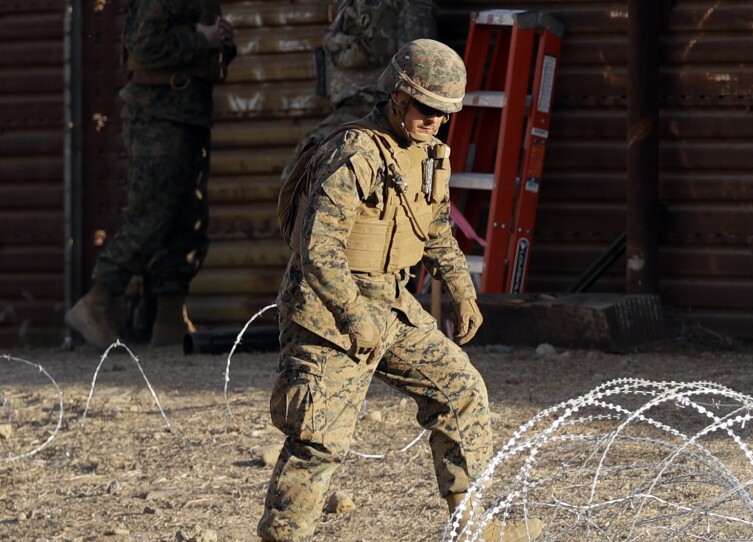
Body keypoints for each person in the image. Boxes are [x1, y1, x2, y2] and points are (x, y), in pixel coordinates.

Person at [258, 39, 543, 542]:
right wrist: (353, 317)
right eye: (426, 108)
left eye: (445, 112)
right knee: (319, 437)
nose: (435, 119)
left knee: (459, 389)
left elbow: (434, 228)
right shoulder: (355, 154)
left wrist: (462, 287)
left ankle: (470, 524)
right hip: (328, 308)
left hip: (390, 300)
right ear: (397, 97)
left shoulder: (430, 155)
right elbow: (317, 252)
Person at [65, 0, 236, 349]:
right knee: (153, 213)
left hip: (190, 115)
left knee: (188, 220)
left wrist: (222, 43)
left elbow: (198, 50)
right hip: (157, 117)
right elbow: (144, 47)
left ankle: (170, 318)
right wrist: (202, 39)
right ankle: (97, 301)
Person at [279, 0, 437, 183]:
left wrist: (333, 42)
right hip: (365, 105)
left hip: (373, 103)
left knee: (300, 169)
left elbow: (378, 47)